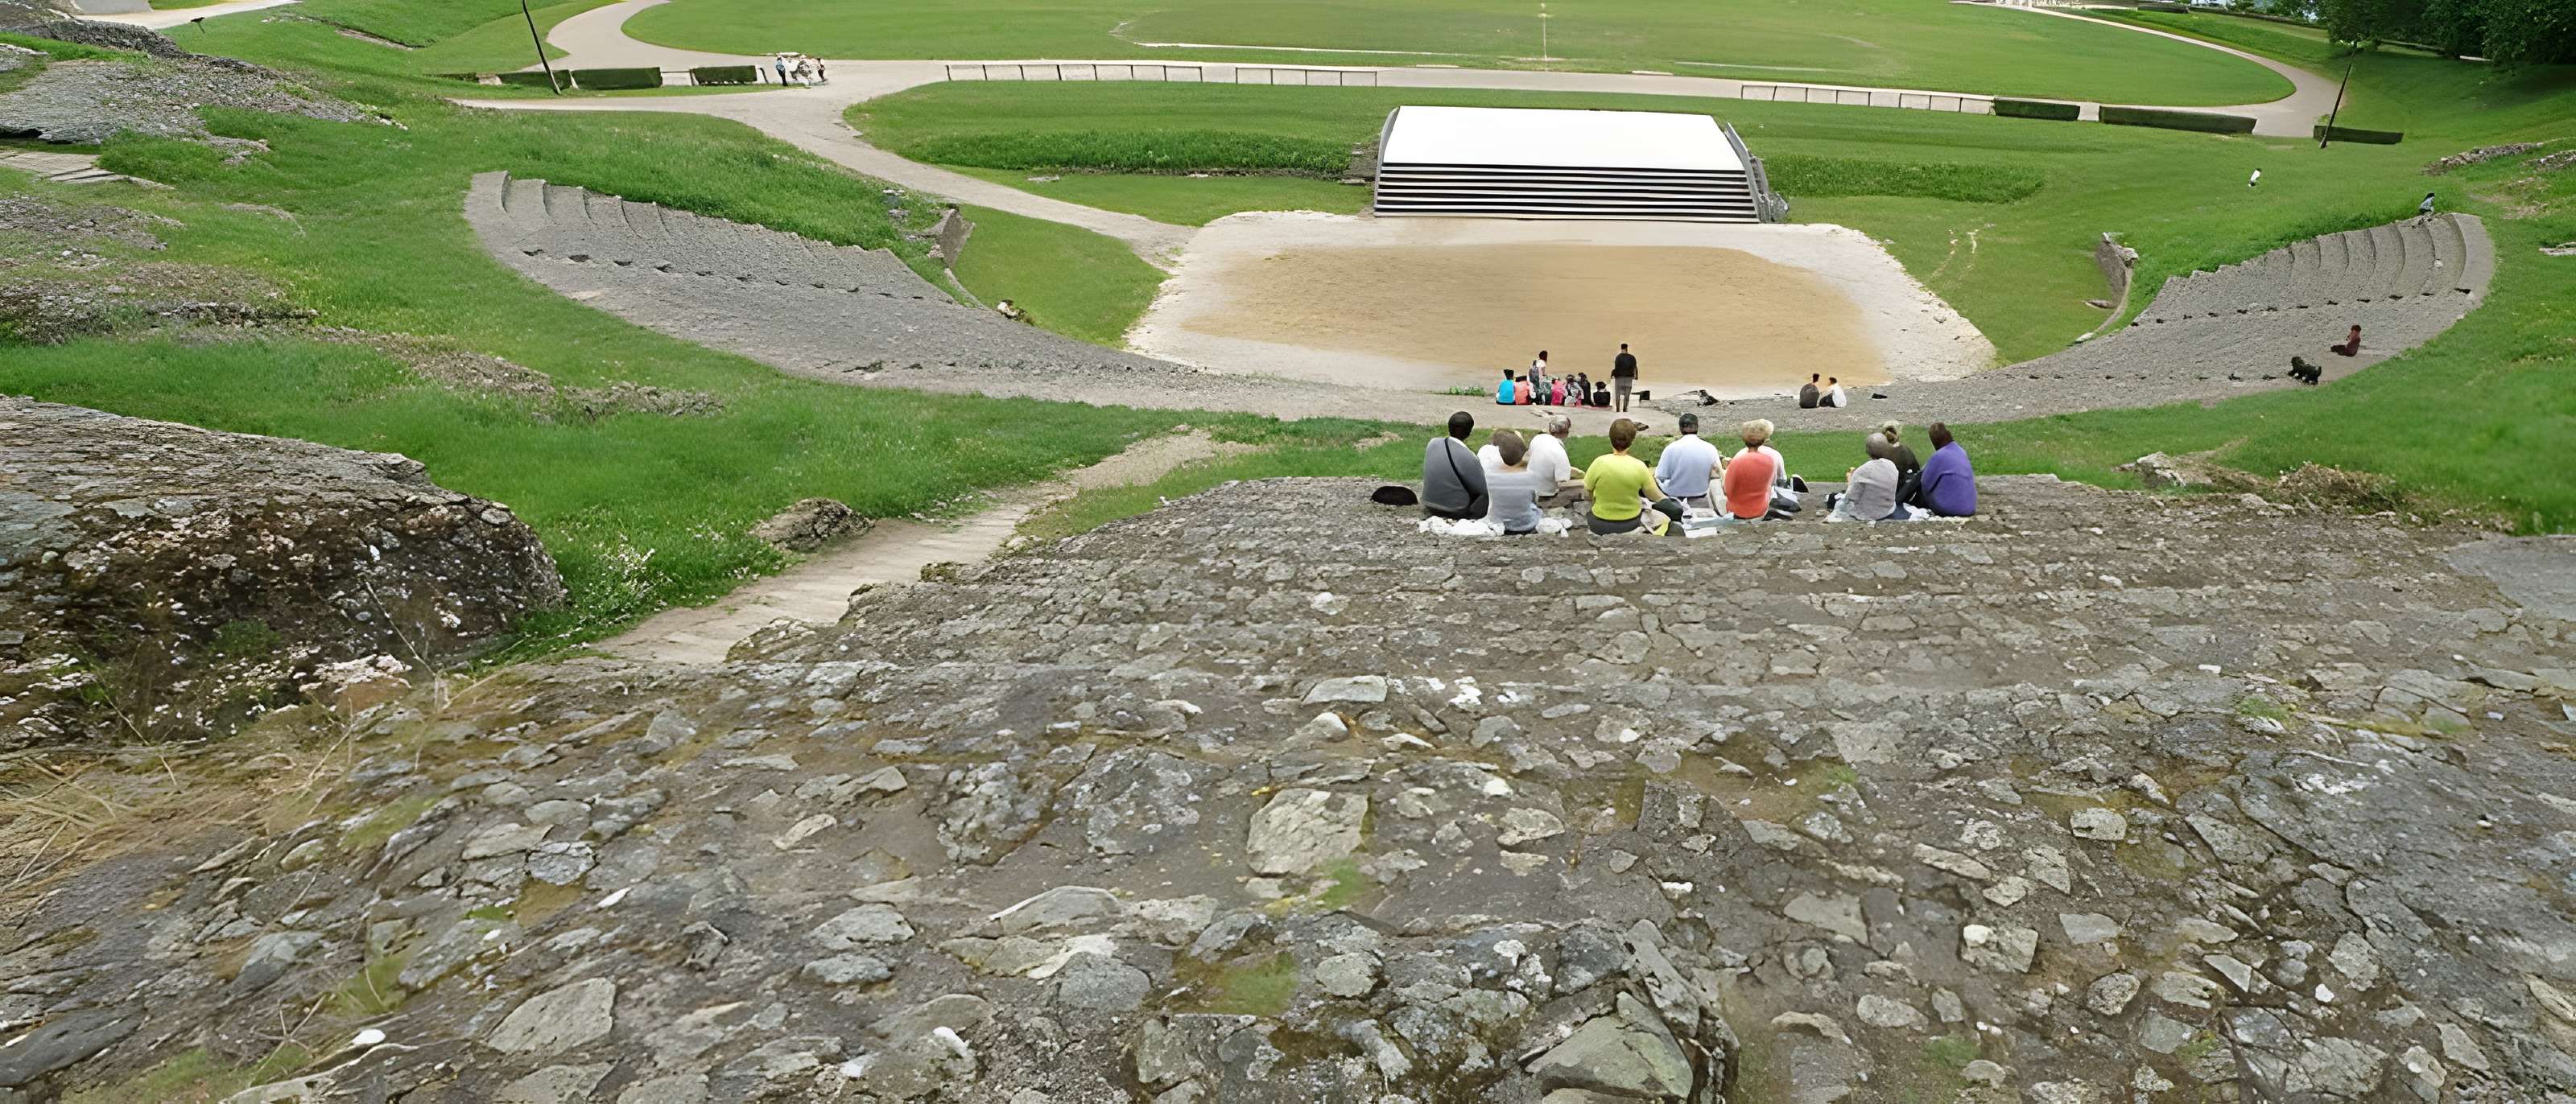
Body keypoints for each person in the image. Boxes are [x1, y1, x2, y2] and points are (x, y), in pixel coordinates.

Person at [1583, 418, 1666, 534]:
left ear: (1610, 439)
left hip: (1598, 525)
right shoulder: (1639, 466)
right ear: (1632, 441)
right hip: (1630, 525)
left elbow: (1587, 493)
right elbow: (1656, 497)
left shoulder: (1598, 463)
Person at [1829, 433, 1911, 521]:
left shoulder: (1862, 471)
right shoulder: (1891, 466)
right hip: (1888, 510)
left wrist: (1850, 479)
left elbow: (1851, 496)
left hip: (1866, 514)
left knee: (1832, 498)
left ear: (1867, 451)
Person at [1422, 411, 1489, 520]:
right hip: (1454, 510)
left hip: (1429, 504)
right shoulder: (1468, 456)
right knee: (1488, 496)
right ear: (1469, 433)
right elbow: (1483, 490)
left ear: (1449, 428)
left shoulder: (1432, 443)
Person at [1482, 431, 1546, 536]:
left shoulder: (1489, 476)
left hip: (1499, 523)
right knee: (1535, 509)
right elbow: (1533, 499)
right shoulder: (1530, 476)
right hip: (1527, 524)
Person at [1655, 413, 1723, 509]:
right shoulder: (1710, 448)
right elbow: (1717, 473)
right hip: (1702, 491)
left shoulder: (1671, 448)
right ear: (1697, 427)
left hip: (1674, 492)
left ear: (1680, 429)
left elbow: (1661, 476)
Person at [1719, 420, 1782, 521]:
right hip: (1761, 509)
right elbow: (1771, 484)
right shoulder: (1769, 460)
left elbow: (1727, 490)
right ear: (1763, 440)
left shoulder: (1738, 460)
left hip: (1738, 511)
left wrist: (1727, 471)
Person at [1912, 422, 1977, 517]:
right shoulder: (1962, 451)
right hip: (1970, 508)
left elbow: (1925, 485)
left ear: (1934, 442)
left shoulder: (1939, 456)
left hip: (1950, 510)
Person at [1528, 414, 1580, 503]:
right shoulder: (1559, 451)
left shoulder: (1537, 439)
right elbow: (1563, 478)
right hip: (1547, 492)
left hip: (1530, 487)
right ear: (1566, 432)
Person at [1611, 343, 1639, 413]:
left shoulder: (1618, 357)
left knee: (1618, 394)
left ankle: (1618, 409)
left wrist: (1613, 375)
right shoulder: (1632, 357)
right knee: (1627, 395)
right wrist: (1636, 377)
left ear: (1621, 348)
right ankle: (1625, 409)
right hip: (1628, 378)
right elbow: (1635, 368)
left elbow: (1616, 368)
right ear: (1627, 348)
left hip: (1619, 378)